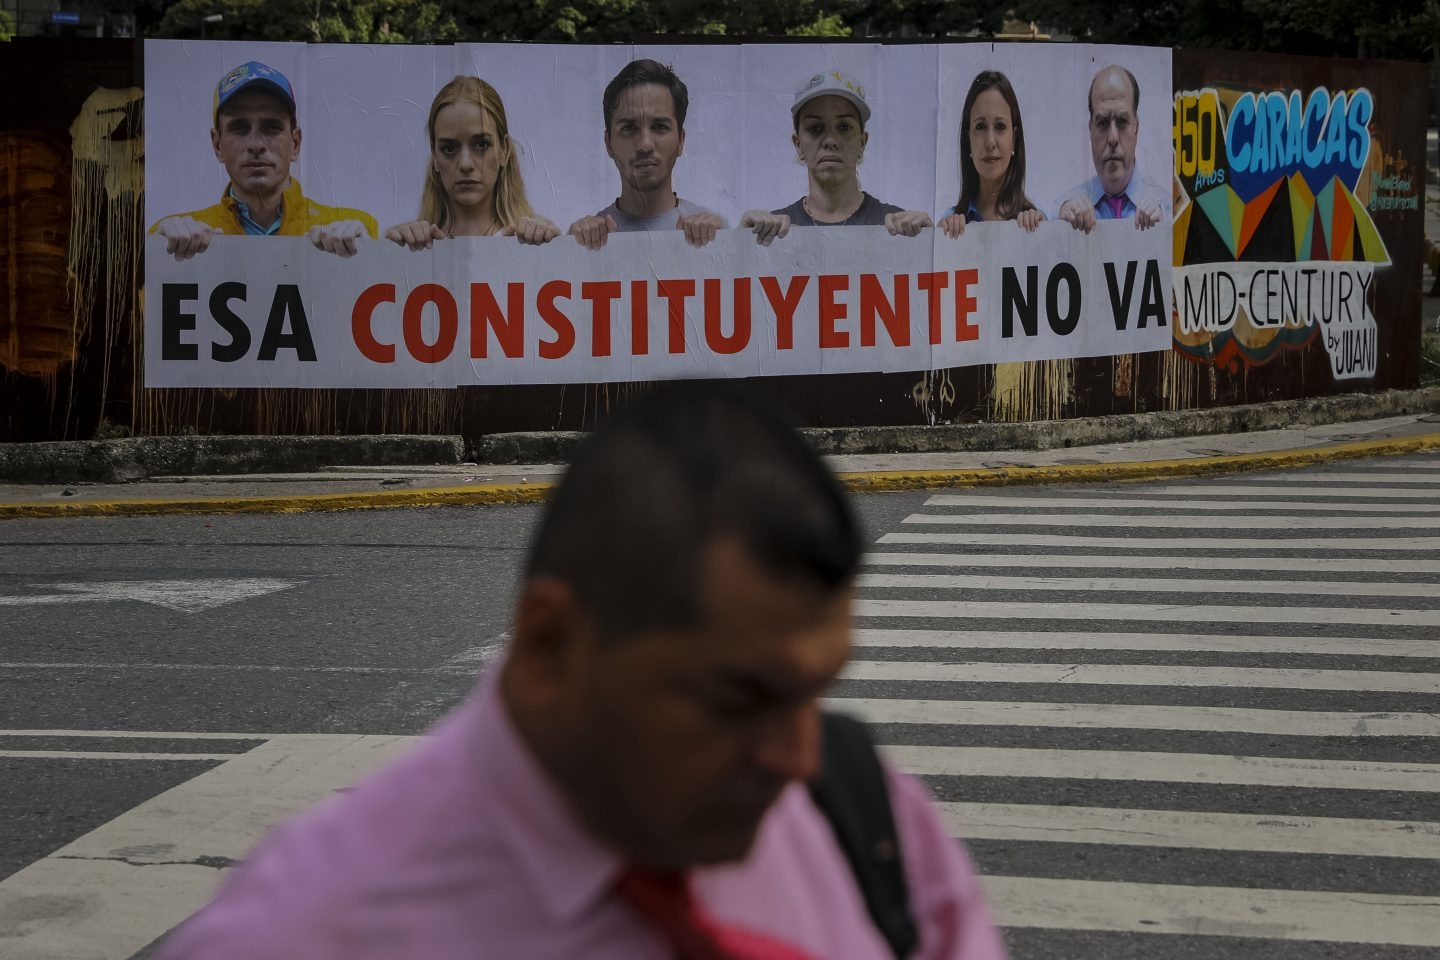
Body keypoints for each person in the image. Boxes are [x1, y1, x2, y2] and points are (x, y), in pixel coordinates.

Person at [156, 382, 1008, 960]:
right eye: (739, 697)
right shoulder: (309, 934)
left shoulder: (870, 819)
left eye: (818, 691)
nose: (796, 757)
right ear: (552, 645)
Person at [150, 60, 379, 261]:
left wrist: (368, 256)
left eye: (271, 127)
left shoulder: (357, 228)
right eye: (239, 128)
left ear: (295, 143)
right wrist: (156, 257)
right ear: (218, 145)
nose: (256, 144)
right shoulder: (171, 238)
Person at [742, 70, 932, 246]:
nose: (831, 140)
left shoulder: (900, 228)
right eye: (815, 128)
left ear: (862, 143)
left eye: (844, 127)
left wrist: (933, 244)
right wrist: (739, 243)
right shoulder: (768, 235)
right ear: (798, 145)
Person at [385, 76, 560, 250]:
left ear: (503, 150)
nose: (466, 164)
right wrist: (384, 254)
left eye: (481, 144)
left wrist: (567, 244)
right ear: (435, 156)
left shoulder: (539, 242)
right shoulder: (407, 247)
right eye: (449, 148)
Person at [568, 60, 726, 251]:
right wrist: (568, 251)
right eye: (629, 128)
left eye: (660, 127)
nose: (645, 145)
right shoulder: (580, 242)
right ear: (608, 143)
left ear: (680, 141)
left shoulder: (719, 233)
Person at [1055, 64, 1167, 233]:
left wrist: (1166, 238)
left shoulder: (1170, 210)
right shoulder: (1062, 212)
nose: (1113, 138)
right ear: (1090, 130)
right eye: (1102, 123)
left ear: (1136, 129)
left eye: (1122, 121)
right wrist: (1059, 234)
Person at [937, 70, 1043, 239]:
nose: (990, 142)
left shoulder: (1038, 222)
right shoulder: (948, 225)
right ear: (968, 139)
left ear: (1014, 139)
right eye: (980, 126)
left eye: (1000, 126)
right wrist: (940, 241)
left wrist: (1043, 235)